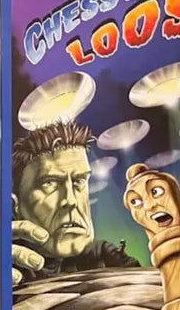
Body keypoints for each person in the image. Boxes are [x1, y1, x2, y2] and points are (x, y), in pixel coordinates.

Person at [11, 121, 139, 285]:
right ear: (15, 206)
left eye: (79, 181)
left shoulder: (103, 256)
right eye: (49, 183)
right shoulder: (5, 261)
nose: (71, 200)